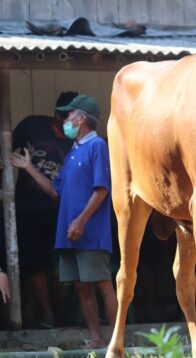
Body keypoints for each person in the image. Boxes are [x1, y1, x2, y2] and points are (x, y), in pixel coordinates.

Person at [10, 94, 116, 348]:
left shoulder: (97, 146)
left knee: (102, 284)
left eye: (69, 115)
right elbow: (55, 191)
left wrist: (80, 221)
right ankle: (96, 338)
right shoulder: (73, 152)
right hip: (69, 233)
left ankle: (116, 340)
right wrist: (28, 167)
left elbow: (101, 190)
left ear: (80, 119)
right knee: (82, 286)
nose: (65, 120)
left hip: (89, 232)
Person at [11, 91, 77, 328]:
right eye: (68, 118)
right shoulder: (32, 126)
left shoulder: (77, 141)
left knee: (56, 269)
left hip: (60, 212)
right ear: (57, 116)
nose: (72, 123)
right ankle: (47, 315)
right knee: (34, 264)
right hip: (29, 210)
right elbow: (6, 145)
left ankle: (49, 316)